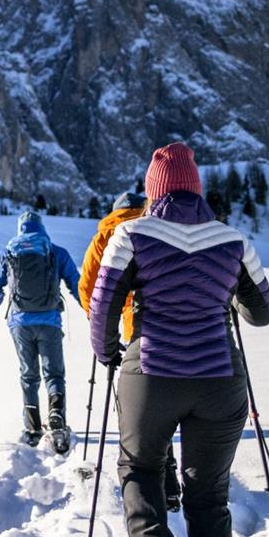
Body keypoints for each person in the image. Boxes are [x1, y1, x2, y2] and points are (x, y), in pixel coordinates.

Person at [88, 142, 269, 537]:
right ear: (197, 189)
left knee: (140, 467)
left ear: (154, 192)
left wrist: (110, 354)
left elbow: (104, 304)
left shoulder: (131, 233)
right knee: (209, 497)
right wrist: (222, 293)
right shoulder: (233, 240)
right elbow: (263, 312)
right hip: (220, 381)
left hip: (152, 375)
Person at [79, 190, 182, 509]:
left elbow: (88, 289)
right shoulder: (159, 230)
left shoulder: (104, 236)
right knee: (162, 400)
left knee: (135, 405)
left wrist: (100, 327)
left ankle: (147, 476)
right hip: (160, 326)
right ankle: (170, 476)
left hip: (123, 327)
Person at [0, 209, 81, 452]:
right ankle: (57, 418)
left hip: (20, 324)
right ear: (42, 228)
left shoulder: (8, 253)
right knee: (54, 374)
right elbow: (75, 283)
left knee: (29, 375)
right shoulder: (55, 251)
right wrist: (91, 308)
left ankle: (31, 429)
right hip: (49, 321)